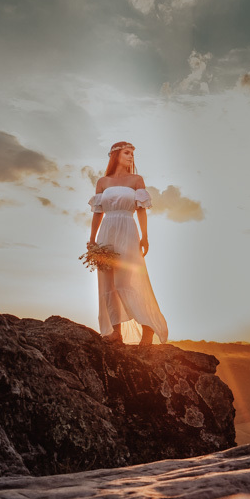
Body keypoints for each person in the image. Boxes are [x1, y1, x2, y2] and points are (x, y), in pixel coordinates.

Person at [88, 141, 168, 346]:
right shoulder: (102, 182)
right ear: (115, 155)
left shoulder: (136, 180)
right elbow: (98, 212)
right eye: (127, 152)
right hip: (107, 232)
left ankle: (147, 326)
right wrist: (92, 239)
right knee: (107, 283)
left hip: (127, 230)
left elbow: (141, 209)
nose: (131, 156)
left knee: (123, 282)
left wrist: (145, 236)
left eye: (132, 153)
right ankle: (116, 332)